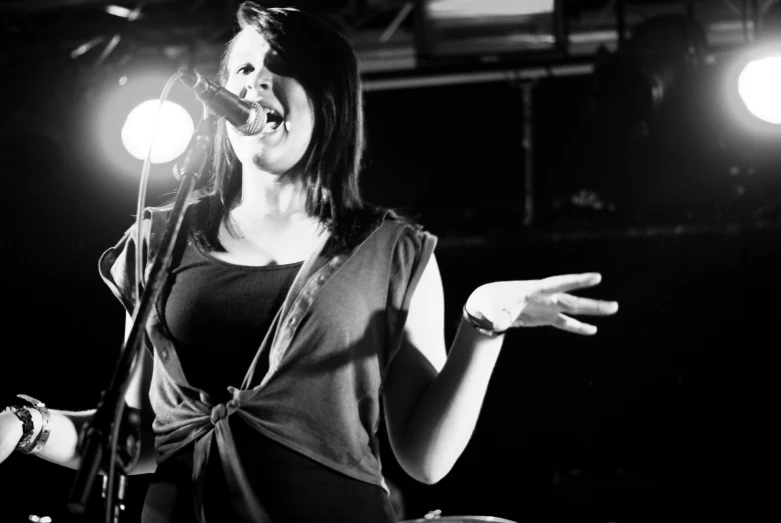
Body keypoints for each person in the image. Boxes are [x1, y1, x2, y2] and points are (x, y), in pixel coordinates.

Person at [0, 3, 619, 522]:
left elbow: (424, 459)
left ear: (329, 100)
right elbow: (133, 441)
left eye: (281, 67)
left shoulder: (393, 252)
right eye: (242, 69)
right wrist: (24, 425)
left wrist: (482, 327)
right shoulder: (157, 243)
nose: (253, 83)